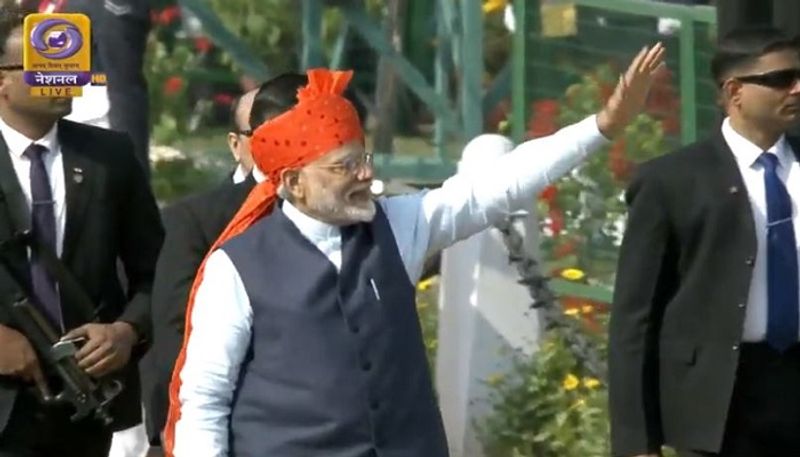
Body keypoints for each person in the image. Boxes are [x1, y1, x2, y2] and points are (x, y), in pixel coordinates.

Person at [161, 40, 664, 457]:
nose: (365, 175)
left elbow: (493, 188)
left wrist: (602, 126)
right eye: (343, 167)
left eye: (364, 159)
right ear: (292, 182)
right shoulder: (236, 268)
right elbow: (204, 401)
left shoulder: (397, 227)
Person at [608, 26, 800, 457]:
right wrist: (636, 442)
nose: (797, 87)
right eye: (781, 78)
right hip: (719, 404)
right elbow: (634, 321)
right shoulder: (671, 182)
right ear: (735, 91)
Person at [0, 4, 163, 457]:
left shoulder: (109, 157)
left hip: (86, 405)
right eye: (46, 66)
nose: (66, 77)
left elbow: (159, 271)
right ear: (2, 80)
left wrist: (126, 332)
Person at [143, 73, 310, 448]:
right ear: (238, 144)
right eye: (266, 133)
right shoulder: (197, 220)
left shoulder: (345, 215)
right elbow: (176, 335)